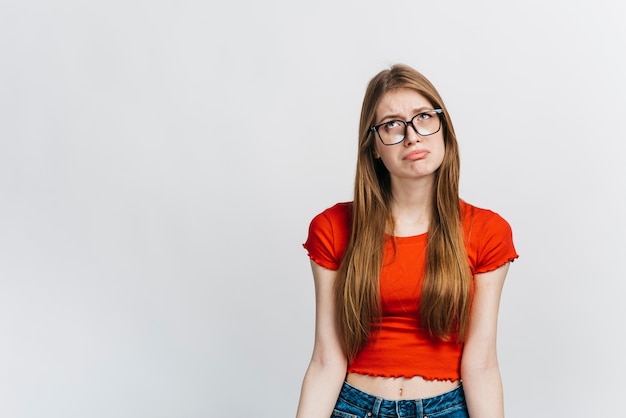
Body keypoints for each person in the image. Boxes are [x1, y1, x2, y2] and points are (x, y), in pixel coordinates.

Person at [296, 64, 518, 418]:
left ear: (443, 128)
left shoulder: (488, 231)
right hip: (355, 407)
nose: (412, 135)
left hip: (447, 409)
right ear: (373, 148)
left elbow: (481, 363)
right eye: (392, 125)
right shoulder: (333, 227)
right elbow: (326, 359)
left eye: (423, 117)